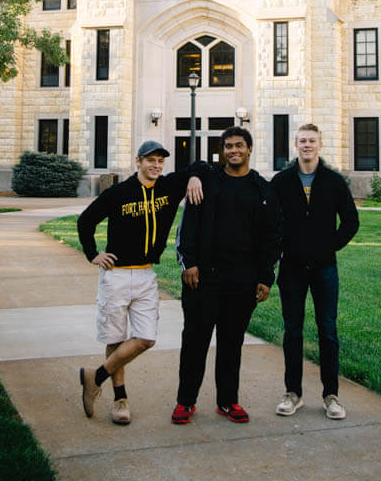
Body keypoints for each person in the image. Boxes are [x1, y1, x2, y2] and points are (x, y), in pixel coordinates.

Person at [77, 141, 206, 425]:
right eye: (151, 160)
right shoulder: (119, 193)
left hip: (146, 274)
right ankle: (120, 400)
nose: (156, 166)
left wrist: (194, 177)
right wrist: (93, 254)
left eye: (160, 161)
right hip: (117, 275)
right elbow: (86, 221)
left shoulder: (169, 187)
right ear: (138, 161)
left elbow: (200, 165)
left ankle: (94, 376)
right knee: (116, 338)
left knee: (146, 338)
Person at [171, 127, 281, 425]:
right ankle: (185, 402)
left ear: (249, 149)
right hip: (202, 279)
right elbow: (187, 226)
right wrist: (188, 264)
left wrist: (265, 277)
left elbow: (271, 239)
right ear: (223, 150)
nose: (234, 150)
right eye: (228, 146)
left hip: (242, 281)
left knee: (232, 344)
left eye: (239, 146)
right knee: (194, 342)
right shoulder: (207, 179)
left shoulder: (261, 189)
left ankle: (228, 402)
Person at [271, 123, 359, 420]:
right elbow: (269, 221)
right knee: (292, 331)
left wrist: (328, 246)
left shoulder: (333, 182)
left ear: (319, 145)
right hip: (292, 269)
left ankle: (331, 395)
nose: (307, 145)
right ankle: (292, 393)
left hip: (325, 269)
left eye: (312, 141)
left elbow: (350, 222)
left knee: (328, 331)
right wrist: (283, 246)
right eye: (302, 141)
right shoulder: (282, 181)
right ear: (295, 145)